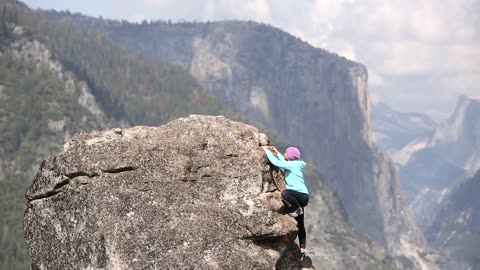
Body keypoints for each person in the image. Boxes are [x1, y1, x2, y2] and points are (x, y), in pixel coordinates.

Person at [263, 145, 309, 257]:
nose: (284, 154)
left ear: (290, 155)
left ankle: (297, 208)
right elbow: (285, 162)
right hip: (302, 197)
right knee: (300, 224)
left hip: (297, 195)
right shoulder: (295, 164)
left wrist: (266, 152)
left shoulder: (291, 165)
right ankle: (303, 248)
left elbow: (277, 163)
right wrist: (278, 153)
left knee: (285, 193)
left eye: (286, 153)